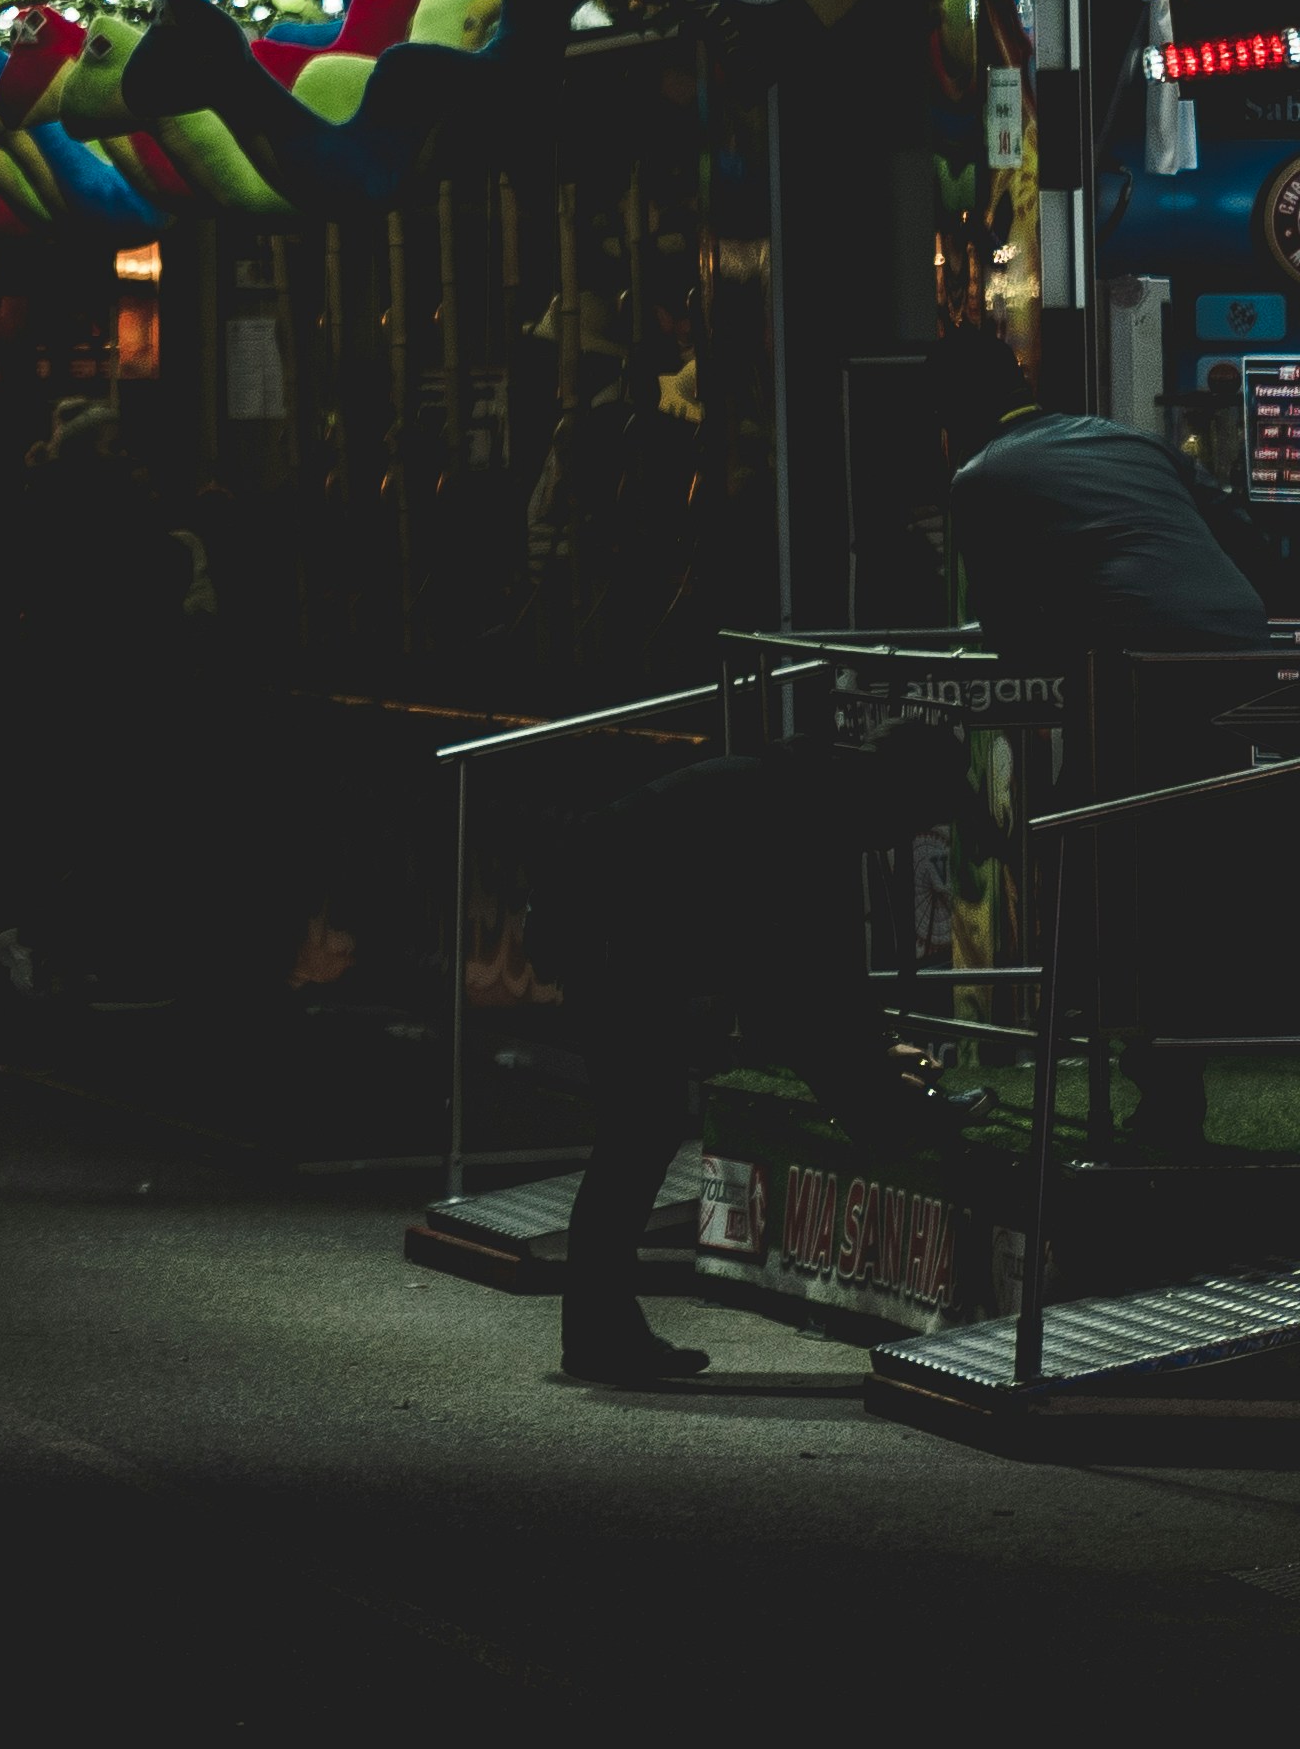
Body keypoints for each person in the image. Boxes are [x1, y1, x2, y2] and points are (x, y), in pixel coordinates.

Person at [530, 716, 982, 1384]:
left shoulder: (816, 793)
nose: (911, 837)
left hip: (609, 931)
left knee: (638, 1133)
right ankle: (600, 1336)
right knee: (639, 1133)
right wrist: (875, 1081)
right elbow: (814, 967)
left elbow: (816, 970)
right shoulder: (814, 813)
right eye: (920, 819)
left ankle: (598, 1333)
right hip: (608, 938)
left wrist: (871, 1054)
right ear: (901, 794)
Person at [940, 404, 1276, 1152]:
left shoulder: (979, 478)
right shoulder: (1130, 441)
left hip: (1130, 672)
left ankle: (1142, 1072)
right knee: (1194, 860)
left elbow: (1004, 625)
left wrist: (1059, 656)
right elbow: (1248, 538)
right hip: (1234, 647)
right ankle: (1171, 1070)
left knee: (1106, 864)